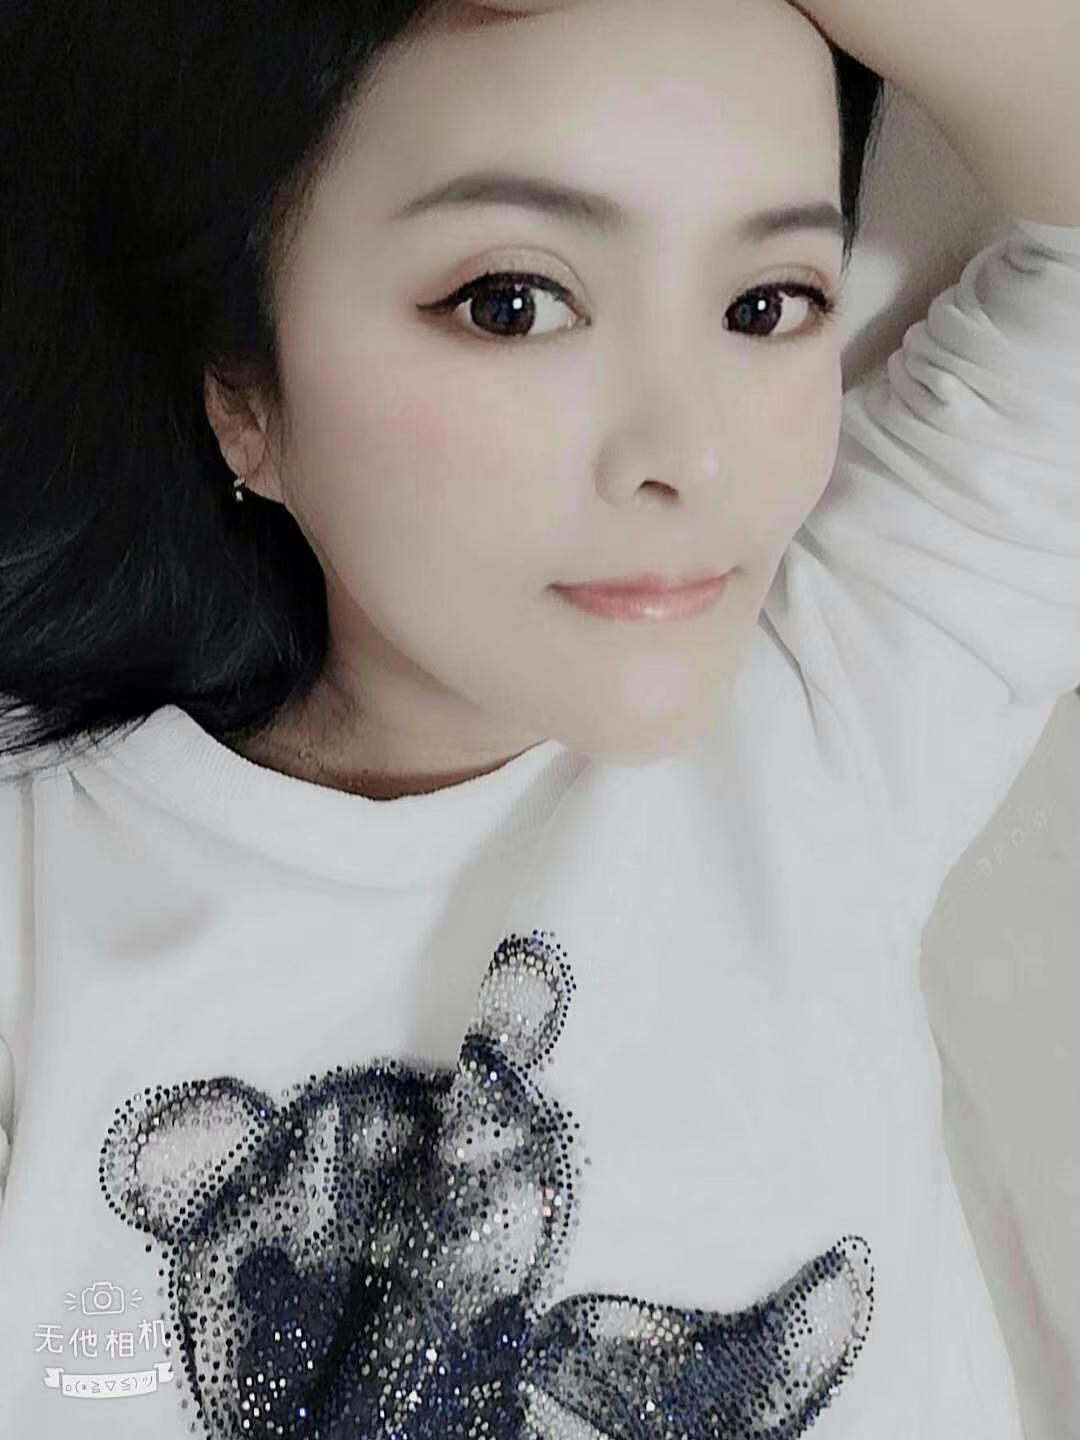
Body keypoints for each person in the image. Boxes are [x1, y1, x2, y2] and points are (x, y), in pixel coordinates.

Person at [0, 0, 1077, 1435]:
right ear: (243, 384)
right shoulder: (38, 909)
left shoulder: (831, 707)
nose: (689, 455)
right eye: (513, 303)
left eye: (769, 305)